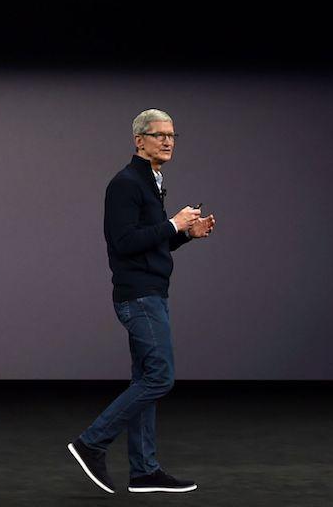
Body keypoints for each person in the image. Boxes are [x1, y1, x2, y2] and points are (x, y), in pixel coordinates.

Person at [67, 109, 216, 495]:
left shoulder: (151, 181)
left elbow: (149, 242)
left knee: (144, 378)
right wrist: (173, 224)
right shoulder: (126, 183)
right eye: (158, 134)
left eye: (171, 135)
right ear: (139, 141)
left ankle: (144, 471)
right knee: (160, 377)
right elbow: (123, 242)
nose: (167, 141)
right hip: (139, 297)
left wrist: (185, 234)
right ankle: (91, 442)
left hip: (152, 293)